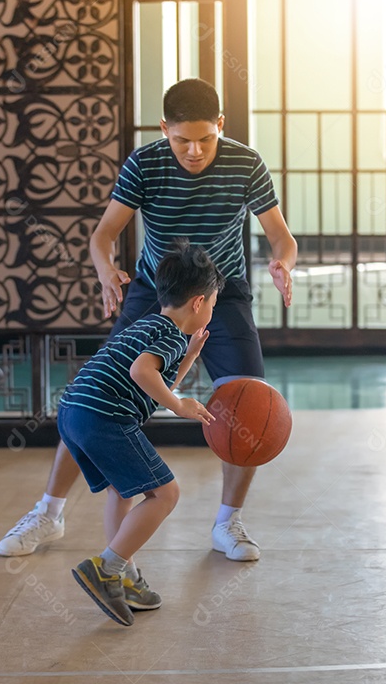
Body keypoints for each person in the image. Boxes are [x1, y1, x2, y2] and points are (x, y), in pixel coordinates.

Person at [0, 78, 298, 562]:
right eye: (182, 140)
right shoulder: (145, 163)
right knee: (97, 394)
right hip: (157, 291)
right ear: (164, 129)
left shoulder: (246, 163)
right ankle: (49, 513)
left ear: (221, 125)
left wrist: (284, 263)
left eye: (206, 138)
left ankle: (228, 522)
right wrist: (105, 271)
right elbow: (103, 235)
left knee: (246, 400)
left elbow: (281, 236)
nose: (194, 151)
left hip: (223, 293)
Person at [65, 240, 222, 626]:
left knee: (122, 491)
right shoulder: (170, 336)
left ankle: (126, 576)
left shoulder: (150, 325)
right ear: (198, 303)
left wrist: (190, 355)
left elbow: (154, 379)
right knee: (166, 493)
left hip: (74, 411)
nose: (212, 311)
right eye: (213, 304)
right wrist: (179, 405)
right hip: (104, 416)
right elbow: (141, 372)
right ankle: (107, 568)